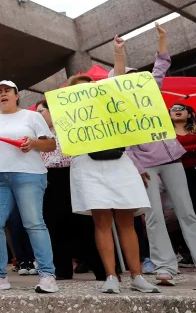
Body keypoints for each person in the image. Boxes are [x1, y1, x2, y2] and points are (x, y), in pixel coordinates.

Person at [64, 35, 159, 294]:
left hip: (119, 162)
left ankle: (137, 275)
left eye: (88, 86)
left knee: (127, 221)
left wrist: (118, 53)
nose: (84, 90)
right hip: (87, 166)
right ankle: (111, 276)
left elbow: (118, 82)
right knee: (102, 222)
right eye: (78, 88)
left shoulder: (110, 106)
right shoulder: (69, 116)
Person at [112, 25, 196, 287]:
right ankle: (165, 268)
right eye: (129, 79)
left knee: (187, 212)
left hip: (171, 160)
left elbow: (161, 63)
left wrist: (162, 37)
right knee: (153, 216)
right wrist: (118, 53)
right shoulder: (120, 107)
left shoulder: (153, 91)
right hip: (145, 166)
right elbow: (123, 141)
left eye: (138, 78)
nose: (136, 81)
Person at [0, 79, 58, 293]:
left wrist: (33, 143)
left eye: (7, 91)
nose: (3, 94)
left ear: (16, 95)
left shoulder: (32, 116)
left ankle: (47, 274)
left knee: (33, 223)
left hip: (29, 175)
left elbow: (51, 143)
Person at [36, 100, 106, 281]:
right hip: (48, 178)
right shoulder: (37, 134)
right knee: (54, 224)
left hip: (72, 175)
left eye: (42, 111)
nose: (39, 115)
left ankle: (100, 268)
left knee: (82, 222)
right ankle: (62, 268)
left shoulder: (68, 127)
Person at [170, 103, 196, 211]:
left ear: (189, 114)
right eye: (173, 109)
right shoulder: (167, 134)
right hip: (178, 173)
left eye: (181, 108)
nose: (177, 110)